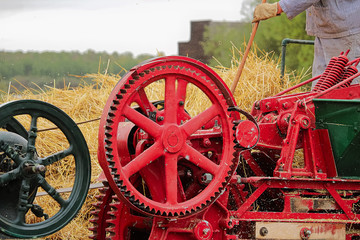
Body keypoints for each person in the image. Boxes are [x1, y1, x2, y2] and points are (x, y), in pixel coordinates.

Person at [252, 1, 360, 87]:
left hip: (346, 34)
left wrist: (278, 7)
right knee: (320, 91)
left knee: (347, 90)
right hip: (327, 31)